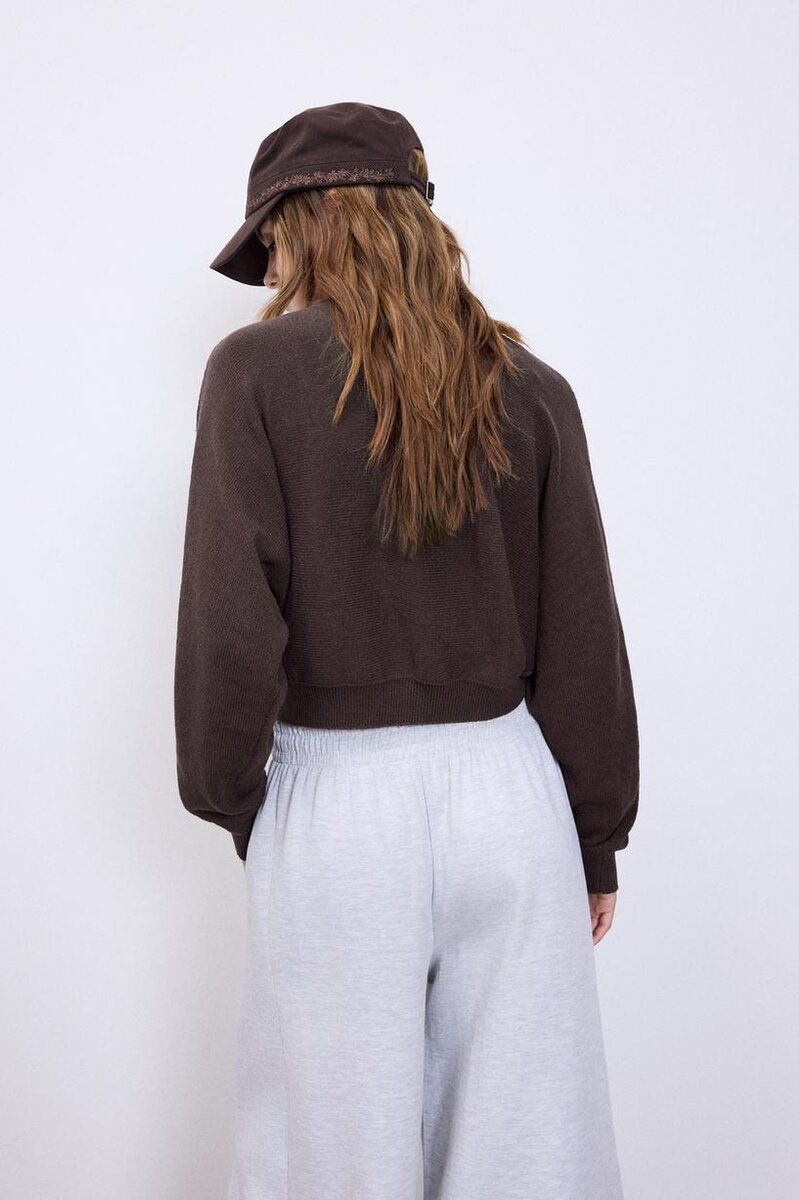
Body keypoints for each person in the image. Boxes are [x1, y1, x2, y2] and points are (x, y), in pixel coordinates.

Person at [173, 101, 640, 1200]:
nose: (275, 266)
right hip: (511, 797)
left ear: (302, 224)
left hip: (337, 805)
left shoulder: (254, 373)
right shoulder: (533, 388)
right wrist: (594, 839)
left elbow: (231, 624)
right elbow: (582, 632)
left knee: (334, 1159)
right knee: (528, 1157)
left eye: (273, 241)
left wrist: (239, 802)